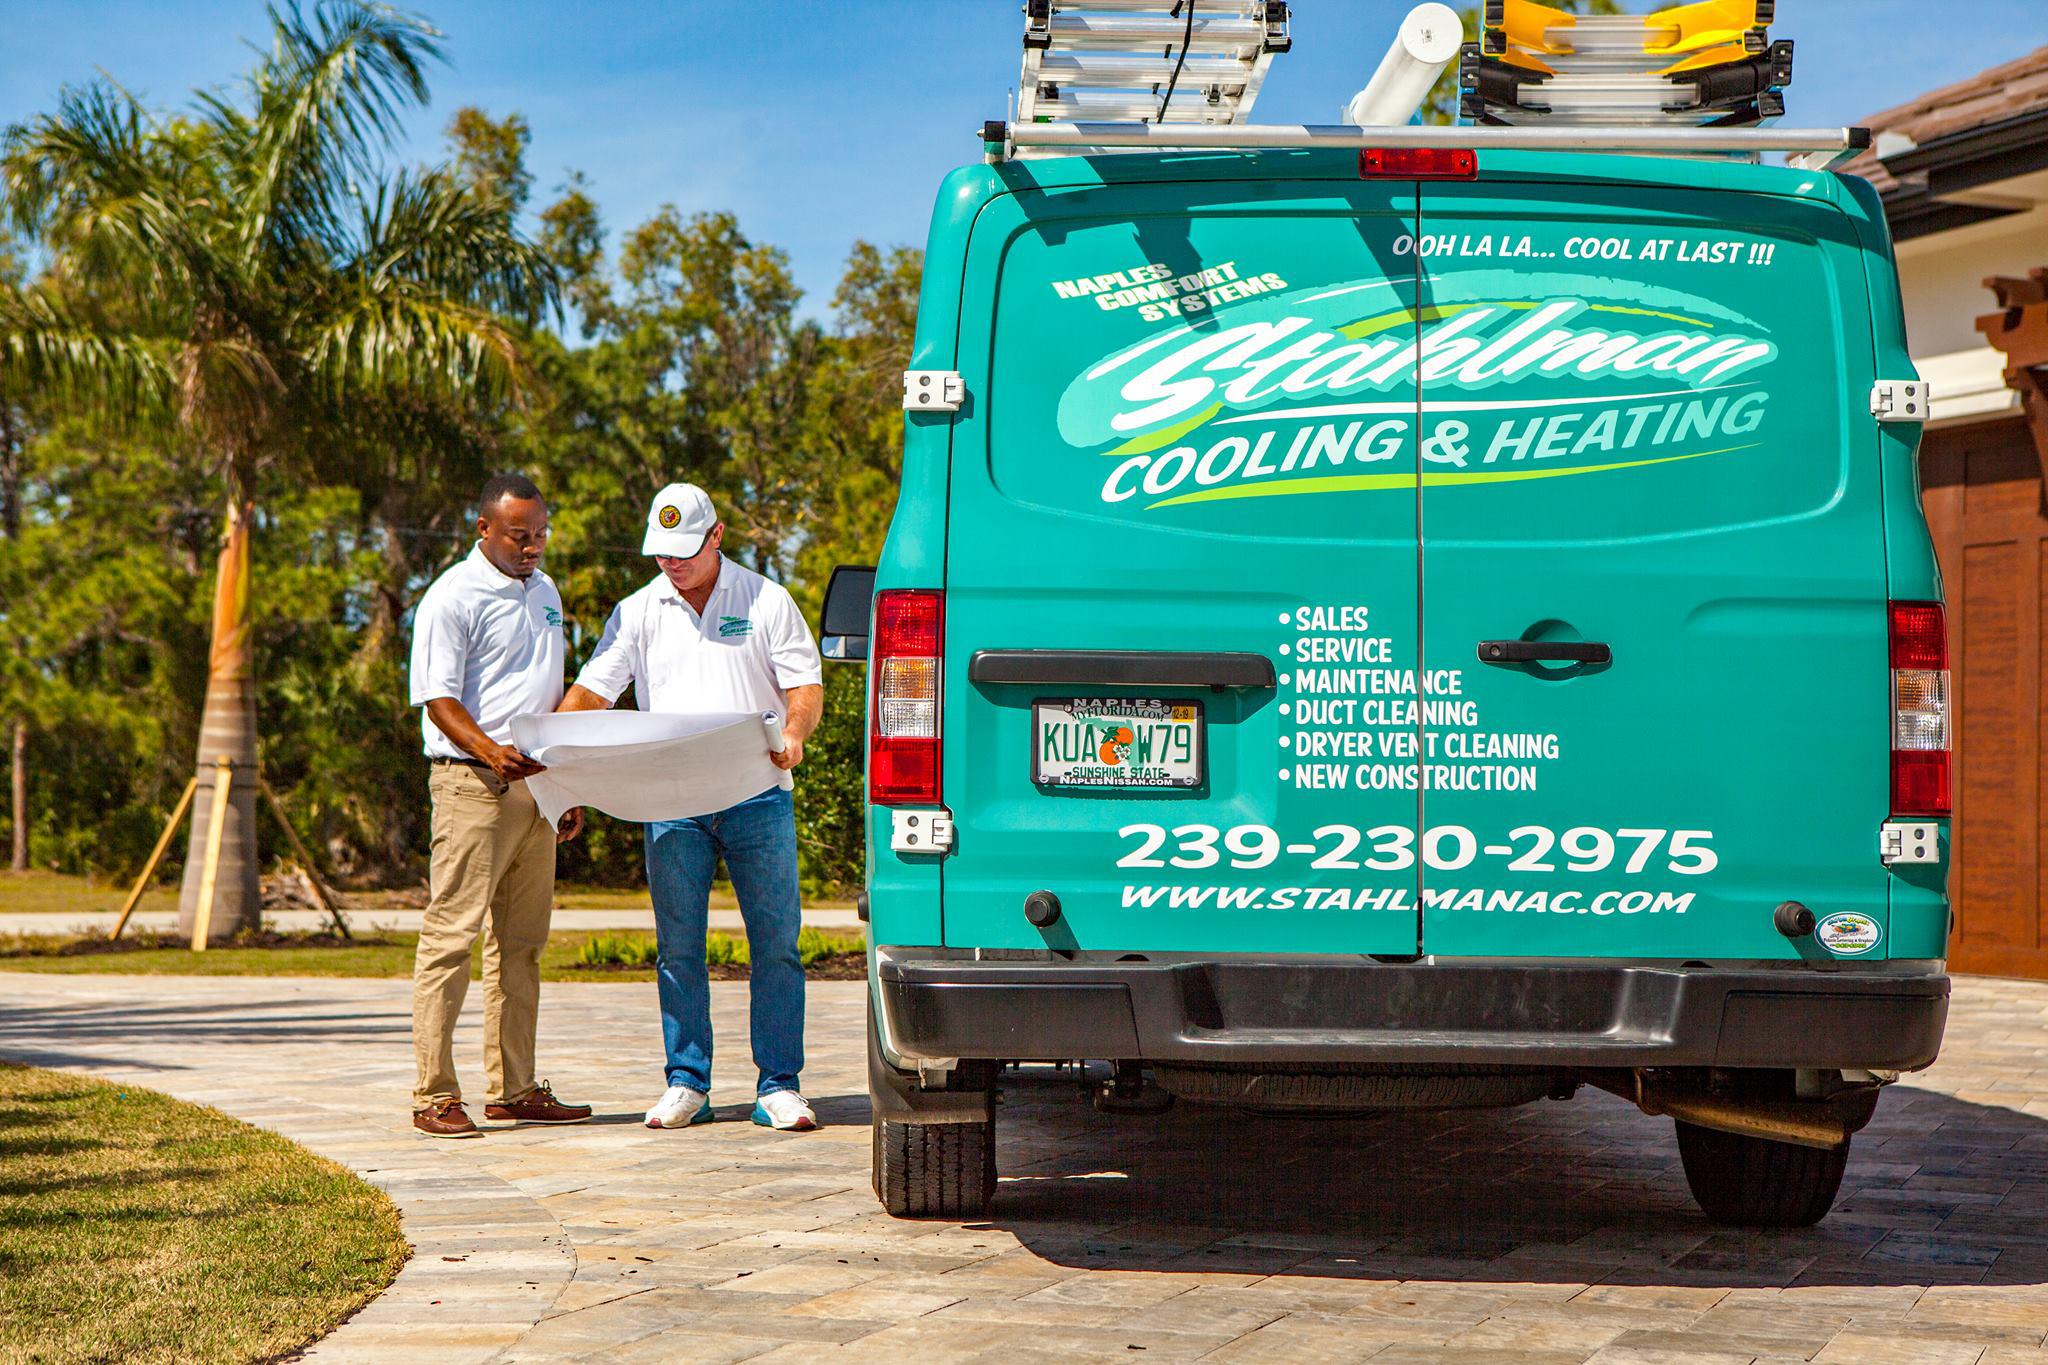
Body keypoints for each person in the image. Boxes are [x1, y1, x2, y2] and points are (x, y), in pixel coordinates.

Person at [559, 481, 825, 1132]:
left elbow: (804, 686)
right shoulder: (637, 611)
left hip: (757, 795)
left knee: (777, 946)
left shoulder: (766, 599)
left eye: (683, 551)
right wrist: (557, 759)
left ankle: (779, 1085)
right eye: (661, 552)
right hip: (672, 801)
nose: (672, 564)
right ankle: (686, 1082)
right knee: (678, 949)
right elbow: (593, 693)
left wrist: (794, 733)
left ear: (717, 536)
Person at [406, 473, 592, 1138]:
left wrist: (565, 786)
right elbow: (438, 699)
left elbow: (548, 696)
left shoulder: (546, 591)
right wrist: (490, 752)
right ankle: (433, 1095)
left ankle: (515, 1089)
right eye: (519, 535)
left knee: (522, 946)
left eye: (541, 533)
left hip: (536, 788)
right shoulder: (451, 596)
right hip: (472, 787)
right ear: (483, 529)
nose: (533, 546)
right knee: (451, 940)